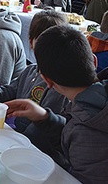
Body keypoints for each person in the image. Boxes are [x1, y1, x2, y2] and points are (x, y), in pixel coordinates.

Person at [6, 25, 108, 183]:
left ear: (47, 80)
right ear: (93, 61)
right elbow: (70, 138)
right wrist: (45, 118)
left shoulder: (87, 132)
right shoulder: (94, 101)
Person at [0, 9, 69, 156]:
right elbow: (10, 91)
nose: (48, 49)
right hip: (15, 138)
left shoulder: (63, 86)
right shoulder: (30, 71)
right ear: (31, 42)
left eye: (55, 43)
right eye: (42, 41)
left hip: (39, 150)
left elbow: (56, 128)